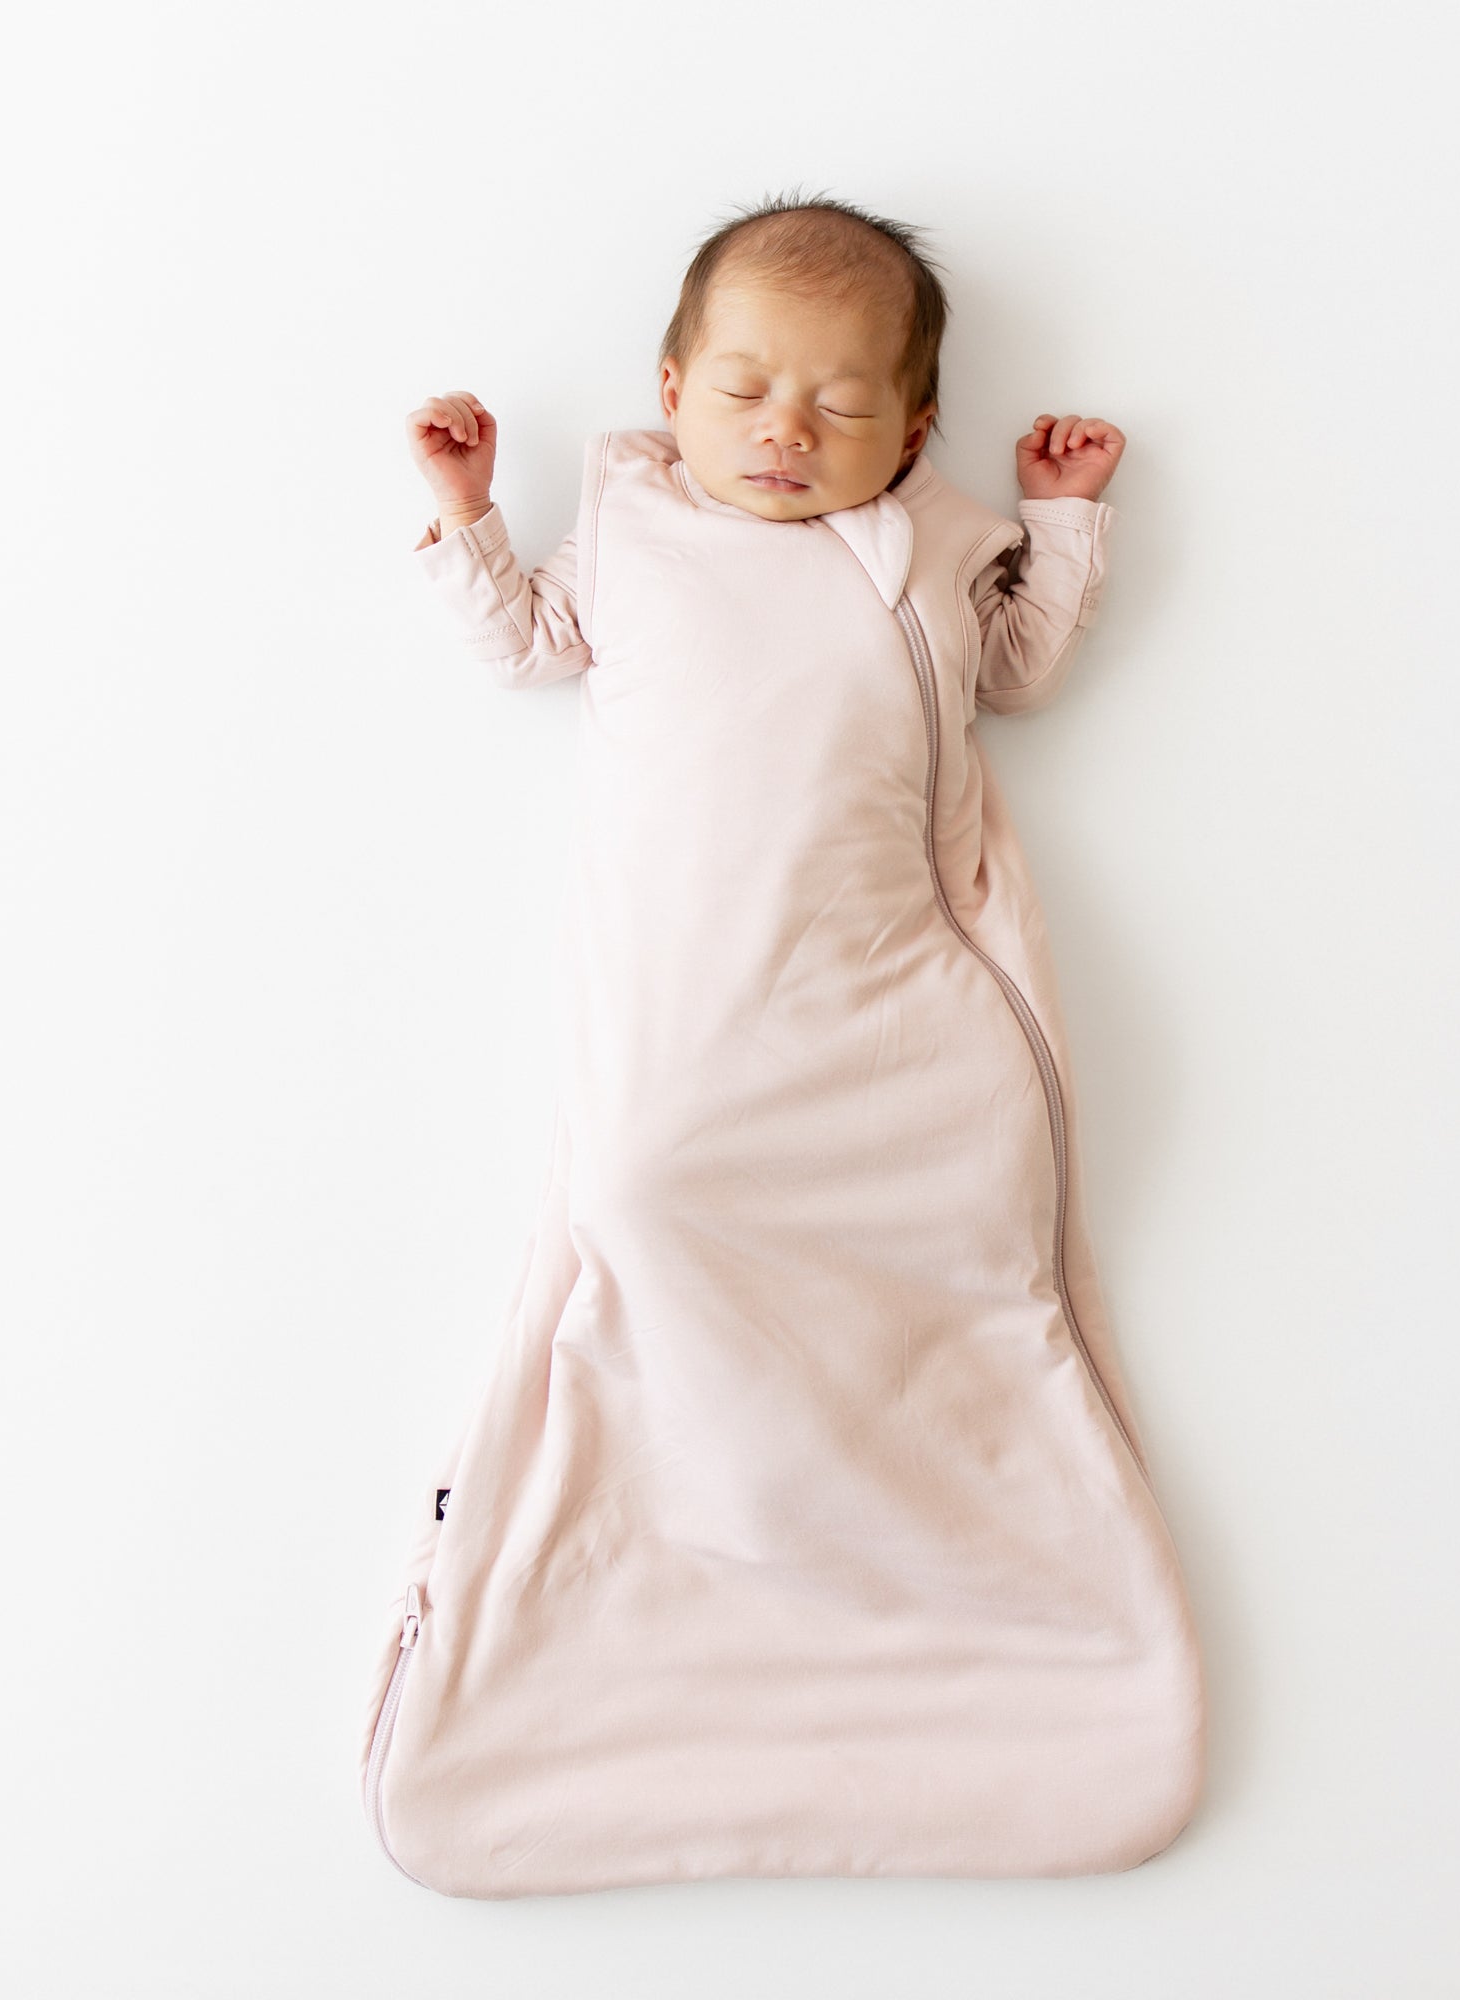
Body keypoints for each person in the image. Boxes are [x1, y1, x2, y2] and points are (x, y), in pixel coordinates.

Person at [364, 191, 1204, 1900]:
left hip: (887, 1023)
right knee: (644, 1194)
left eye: (839, 403)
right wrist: (465, 514)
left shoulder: (934, 552)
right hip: (697, 1012)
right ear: (671, 392)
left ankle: (940, 1593)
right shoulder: (638, 530)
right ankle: (693, 1565)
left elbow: (1022, 676)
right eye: (744, 388)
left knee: (940, 1267)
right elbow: (531, 645)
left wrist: (1064, 517)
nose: (784, 430)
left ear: (912, 429)